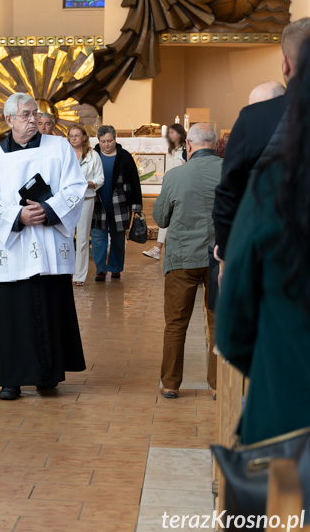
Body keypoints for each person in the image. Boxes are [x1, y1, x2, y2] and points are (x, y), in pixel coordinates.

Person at [217, 35, 310, 444]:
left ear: (289, 69)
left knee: (286, 509)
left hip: (288, 417)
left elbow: (233, 332)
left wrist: (278, 367)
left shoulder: (273, 188)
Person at [0, 92, 87, 400]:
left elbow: (76, 187)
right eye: (25, 115)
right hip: (12, 250)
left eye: (35, 114)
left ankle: (47, 376)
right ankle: (11, 379)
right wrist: (17, 214)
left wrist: (49, 211)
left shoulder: (59, 148)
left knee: (50, 306)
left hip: (49, 243)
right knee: (12, 311)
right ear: (8, 120)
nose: (33, 120)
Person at [213, 17, 310, 262]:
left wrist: (226, 252)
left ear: (285, 64)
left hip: (271, 257)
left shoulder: (253, 119)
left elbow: (228, 193)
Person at [152, 123, 222, 399]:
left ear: (189, 146)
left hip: (182, 257)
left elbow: (160, 218)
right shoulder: (232, 172)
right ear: (214, 145)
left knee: (176, 323)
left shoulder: (175, 175)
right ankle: (218, 385)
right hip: (221, 257)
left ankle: (170, 384)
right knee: (218, 322)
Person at [90, 125, 142, 282]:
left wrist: (136, 205)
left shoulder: (125, 156)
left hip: (120, 203)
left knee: (118, 238)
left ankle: (115, 268)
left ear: (115, 139)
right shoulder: (93, 155)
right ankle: (100, 269)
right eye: (103, 141)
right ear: (98, 141)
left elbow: (134, 181)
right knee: (98, 238)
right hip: (98, 203)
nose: (106, 144)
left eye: (110, 141)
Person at [67, 123, 103, 286]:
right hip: (66, 201)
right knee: (65, 237)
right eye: (71, 135)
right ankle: (65, 272)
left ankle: (79, 276)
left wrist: (88, 184)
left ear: (84, 137)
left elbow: (100, 178)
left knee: (81, 239)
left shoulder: (93, 155)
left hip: (86, 200)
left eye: (77, 135)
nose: (74, 138)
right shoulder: (64, 154)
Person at [143, 123, 186, 260]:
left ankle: (163, 249)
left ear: (179, 134)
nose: (170, 135)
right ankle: (157, 249)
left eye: (172, 132)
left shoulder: (186, 149)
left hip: (181, 187)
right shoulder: (171, 149)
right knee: (164, 215)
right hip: (170, 186)